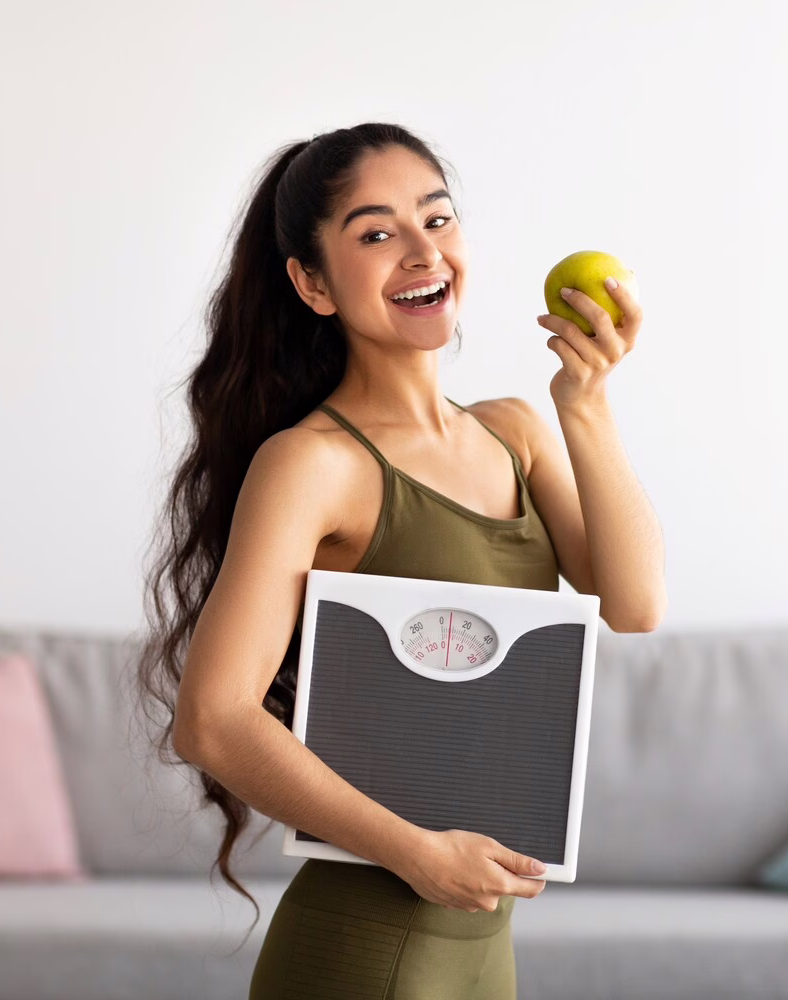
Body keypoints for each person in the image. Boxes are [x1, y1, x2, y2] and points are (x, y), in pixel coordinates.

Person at [137, 122, 666, 999]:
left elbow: (636, 603)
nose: (425, 253)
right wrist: (417, 854)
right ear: (312, 284)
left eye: (439, 219)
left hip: (481, 942)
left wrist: (587, 404)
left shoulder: (516, 434)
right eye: (377, 234)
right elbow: (214, 721)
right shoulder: (313, 465)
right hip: (369, 941)